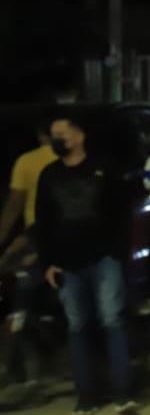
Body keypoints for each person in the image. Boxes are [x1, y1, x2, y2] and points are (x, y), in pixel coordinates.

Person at [33, 117, 137, 414]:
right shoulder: (49, 175)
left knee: (112, 321)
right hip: (67, 265)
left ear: (79, 137)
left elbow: (122, 213)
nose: (56, 140)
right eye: (53, 135)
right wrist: (48, 263)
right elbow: (44, 223)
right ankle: (87, 397)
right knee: (78, 327)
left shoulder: (104, 169)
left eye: (61, 135)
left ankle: (122, 394)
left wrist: (118, 252)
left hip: (104, 259)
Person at [0, 123, 57, 392]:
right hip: (55, 239)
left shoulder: (28, 161)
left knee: (22, 301)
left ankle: (14, 366)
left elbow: (15, 205)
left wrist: (6, 242)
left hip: (39, 241)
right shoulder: (73, 158)